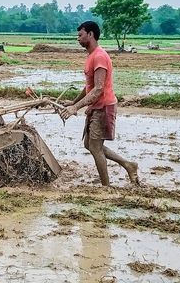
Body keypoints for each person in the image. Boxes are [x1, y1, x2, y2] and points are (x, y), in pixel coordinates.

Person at [59, 21, 139, 186]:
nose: (78, 39)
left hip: (103, 106)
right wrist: (73, 102)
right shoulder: (91, 56)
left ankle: (106, 187)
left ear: (90, 34)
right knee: (89, 144)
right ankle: (128, 165)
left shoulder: (99, 56)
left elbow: (98, 89)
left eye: (80, 35)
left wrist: (76, 107)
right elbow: (89, 86)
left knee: (95, 148)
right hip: (96, 106)